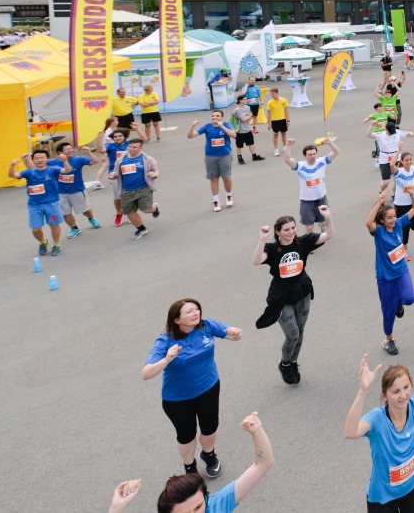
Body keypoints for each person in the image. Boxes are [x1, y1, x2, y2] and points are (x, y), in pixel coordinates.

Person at [344, 335, 414, 512]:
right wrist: (363, 390)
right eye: (396, 391)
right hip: (382, 498)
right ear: (385, 396)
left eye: (406, 387)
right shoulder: (377, 419)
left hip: (413, 489)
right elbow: (350, 432)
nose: (403, 395)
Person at [142, 298, 244, 478]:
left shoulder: (206, 326)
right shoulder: (165, 341)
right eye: (189, 311)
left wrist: (236, 333)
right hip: (178, 399)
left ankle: (209, 455)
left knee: (210, 427)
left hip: (209, 388)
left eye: (196, 309)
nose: (196, 313)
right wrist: (166, 359)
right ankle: (190, 467)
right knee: (186, 436)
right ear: (176, 319)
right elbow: (146, 373)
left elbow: (234, 335)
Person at [106, 412, 274, 513]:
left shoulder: (215, 506)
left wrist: (257, 432)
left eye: (198, 507)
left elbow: (263, 463)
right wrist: (116, 508)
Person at [253, 209, 334, 385]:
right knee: (292, 334)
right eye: (286, 229)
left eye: (293, 228)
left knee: (300, 332)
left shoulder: (303, 242)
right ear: (278, 232)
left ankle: (293, 362)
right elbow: (257, 260)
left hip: (302, 293)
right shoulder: (272, 249)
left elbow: (329, 235)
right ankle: (284, 364)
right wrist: (262, 239)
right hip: (281, 297)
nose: (291, 232)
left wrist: (327, 217)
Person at [368, 187, 414, 356]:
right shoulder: (379, 232)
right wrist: (379, 203)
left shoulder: (399, 225)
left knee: (410, 298)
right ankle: (388, 339)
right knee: (388, 312)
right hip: (385, 277)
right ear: (382, 220)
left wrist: (411, 193)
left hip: (402, 271)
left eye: (394, 216)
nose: (393, 219)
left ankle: (399, 302)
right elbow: (368, 223)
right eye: (389, 218)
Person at [8, 149, 65, 256]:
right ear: (33, 160)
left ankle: (56, 244)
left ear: (47, 159)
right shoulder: (29, 172)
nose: (40, 160)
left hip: (51, 203)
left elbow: (66, 170)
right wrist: (12, 166)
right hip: (34, 204)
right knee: (35, 229)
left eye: (42, 158)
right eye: (37, 158)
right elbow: (12, 175)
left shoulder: (52, 169)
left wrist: (65, 161)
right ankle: (43, 242)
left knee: (54, 225)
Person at [284, 137, 340, 233]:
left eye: (314, 154)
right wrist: (288, 145)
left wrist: (329, 142)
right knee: (309, 227)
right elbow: (287, 159)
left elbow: (336, 152)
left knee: (323, 222)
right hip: (307, 201)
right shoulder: (300, 166)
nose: (312, 156)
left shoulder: (322, 162)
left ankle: (323, 235)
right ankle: (310, 241)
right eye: (310, 154)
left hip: (321, 198)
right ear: (304, 156)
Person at [111, 136, 161, 238]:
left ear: (140, 148)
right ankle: (141, 229)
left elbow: (156, 170)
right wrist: (113, 175)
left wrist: (154, 174)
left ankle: (155, 208)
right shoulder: (121, 160)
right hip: (127, 190)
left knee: (146, 209)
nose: (131, 149)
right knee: (129, 212)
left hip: (143, 188)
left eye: (134, 147)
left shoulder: (147, 159)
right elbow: (116, 172)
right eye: (129, 146)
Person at [188, 111, 237, 212]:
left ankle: (229, 196)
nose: (214, 117)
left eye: (217, 116)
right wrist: (192, 126)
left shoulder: (227, 125)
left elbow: (233, 135)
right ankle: (216, 201)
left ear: (222, 118)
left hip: (225, 155)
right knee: (214, 179)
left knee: (226, 177)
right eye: (213, 116)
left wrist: (222, 126)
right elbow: (190, 136)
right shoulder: (207, 127)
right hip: (210, 156)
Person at [52, 141, 103, 236]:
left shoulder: (78, 159)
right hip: (61, 193)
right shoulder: (53, 162)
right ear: (60, 153)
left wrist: (89, 152)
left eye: (70, 148)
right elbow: (38, 166)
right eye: (66, 150)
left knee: (85, 210)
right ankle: (74, 228)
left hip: (77, 190)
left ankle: (91, 218)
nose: (70, 150)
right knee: (65, 213)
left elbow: (95, 161)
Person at [390, 143, 414, 259]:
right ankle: (405, 250)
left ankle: (399, 242)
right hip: (401, 205)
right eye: (406, 160)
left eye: (410, 159)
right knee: (404, 228)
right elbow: (391, 165)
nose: (409, 162)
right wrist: (398, 150)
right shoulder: (398, 172)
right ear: (402, 162)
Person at [232, 96, 264, 165]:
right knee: (239, 146)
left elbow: (249, 116)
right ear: (240, 100)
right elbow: (243, 119)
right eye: (245, 99)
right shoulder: (237, 110)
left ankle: (254, 156)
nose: (247, 100)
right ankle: (240, 158)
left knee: (251, 143)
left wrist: (248, 116)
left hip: (248, 129)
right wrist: (249, 116)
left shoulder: (247, 107)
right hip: (240, 131)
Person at [265, 87, 291, 156]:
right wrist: (268, 124)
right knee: (275, 135)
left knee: (284, 134)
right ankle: (276, 149)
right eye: (271, 94)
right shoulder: (269, 103)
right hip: (274, 121)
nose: (272, 96)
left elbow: (286, 111)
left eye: (273, 94)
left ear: (277, 93)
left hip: (283, 120)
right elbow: (269, 114)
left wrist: (288, 120)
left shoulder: (284, 100)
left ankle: (284, 147)